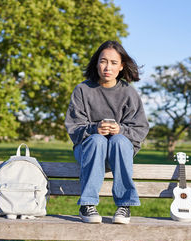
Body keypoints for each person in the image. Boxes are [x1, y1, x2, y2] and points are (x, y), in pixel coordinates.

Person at [64, 40, 149, 224]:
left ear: (121, 66)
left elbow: (140, 128)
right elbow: (74, 127)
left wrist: (120, 129)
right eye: (103, 61)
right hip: (89, 151)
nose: (107, 67)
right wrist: (95, 129)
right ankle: (87, 205)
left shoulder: (129, 93)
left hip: (120, 153)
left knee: (118, 140)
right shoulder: (82, 90)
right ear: (96, 63)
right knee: (98, 141)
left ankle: (124, 205)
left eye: (113, 62)